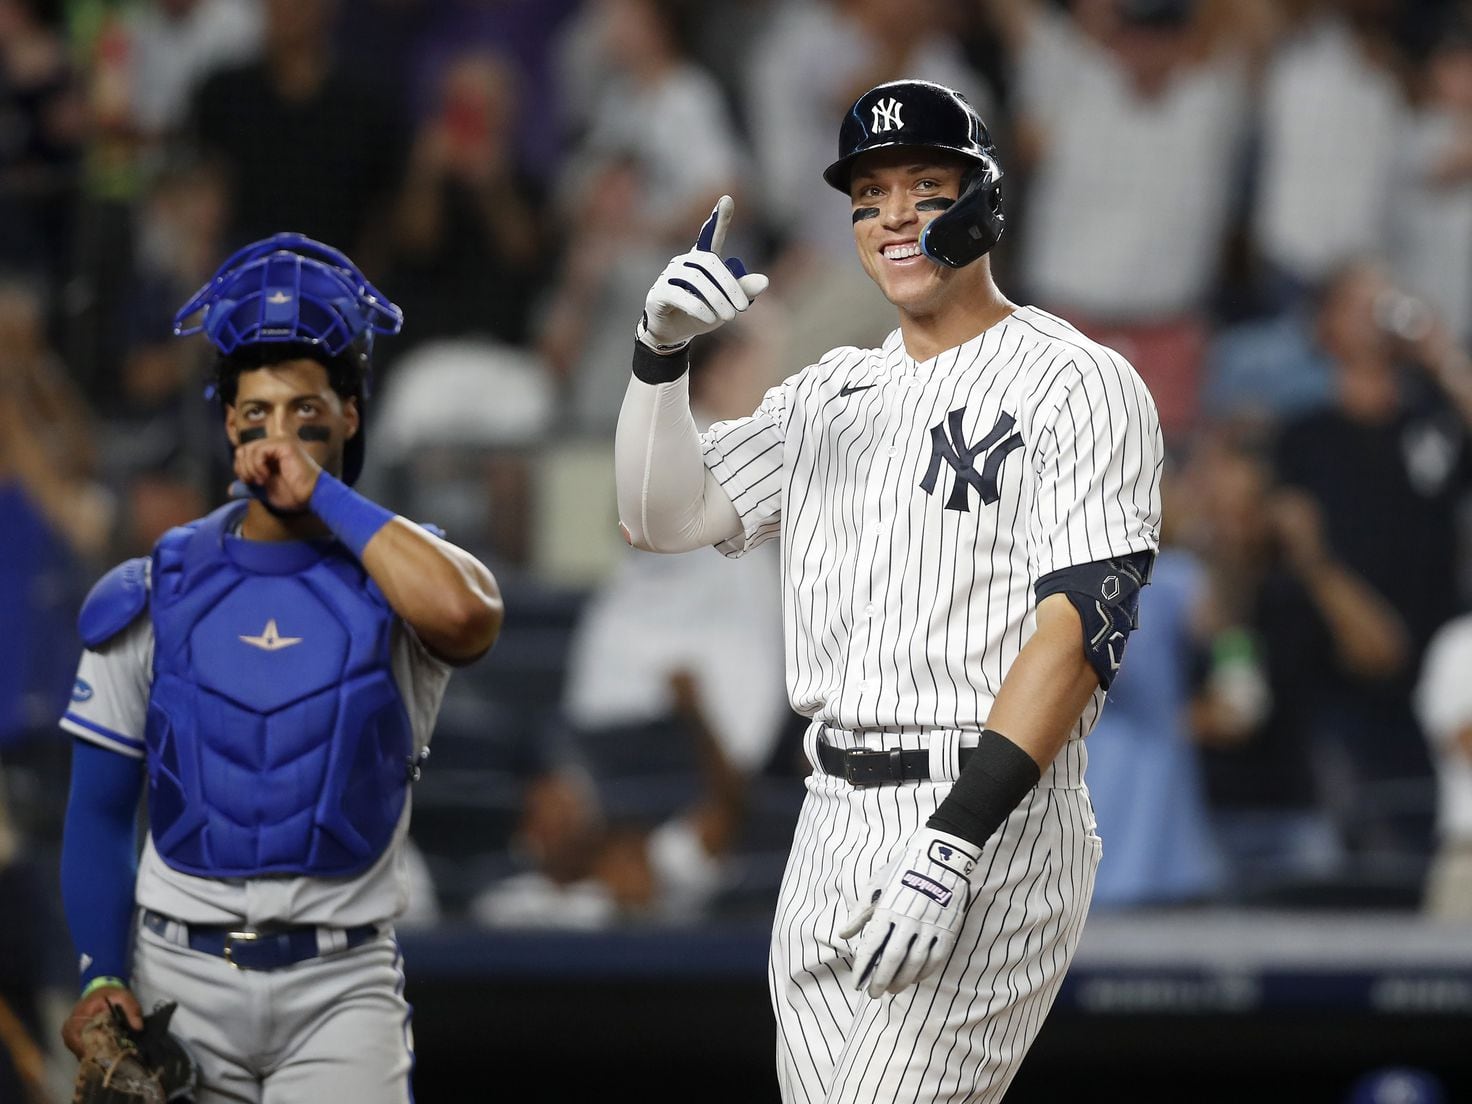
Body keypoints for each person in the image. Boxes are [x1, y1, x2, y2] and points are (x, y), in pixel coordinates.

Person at [613, 79, 1162, 1102]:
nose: (894, 214)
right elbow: (657, 517)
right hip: (828, 817)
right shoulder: (831, 392)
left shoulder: (1075, 379)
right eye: (869, 196)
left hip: (986, 809)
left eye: (923, 184)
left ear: (983, 201)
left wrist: (951, 842)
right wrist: (658, 359)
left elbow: (1078, 630)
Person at [55, 234, 504, 1102]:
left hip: (343, 987)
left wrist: (319, 491)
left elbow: (467, 619)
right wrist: (98, 973)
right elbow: (99, 811)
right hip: (177, 979)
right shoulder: (154, 586)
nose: (279, 436)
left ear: (351, 415)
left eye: (307, 412)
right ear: (227, 424)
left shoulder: (405, 576)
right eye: (256, 413)